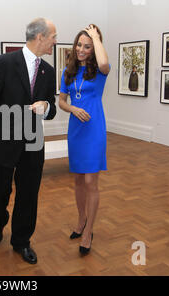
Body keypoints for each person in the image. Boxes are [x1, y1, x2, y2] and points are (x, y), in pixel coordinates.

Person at [0, 18, 57, 264]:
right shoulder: (3, 64)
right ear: (40, 37)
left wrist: (46, 106)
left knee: (28, 195)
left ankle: (21, 241)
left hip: (33, 144)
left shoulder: (49, 71)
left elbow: (53, 107)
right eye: (53, 37)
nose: (55, 42)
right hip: (2, 141)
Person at [58, 24, 110, 256]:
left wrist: (97, 38)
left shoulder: (99, 71)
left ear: (94, 48)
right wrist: (72, 109)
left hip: (94, 129)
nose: (81, 49)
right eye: (79, 44)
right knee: (79, 180)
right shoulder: (67, 72)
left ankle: (89, 231)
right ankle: (81, 221)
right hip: (76, 129)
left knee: (91, 182)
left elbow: (105, 64)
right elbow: (61, 102)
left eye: (87, 46)